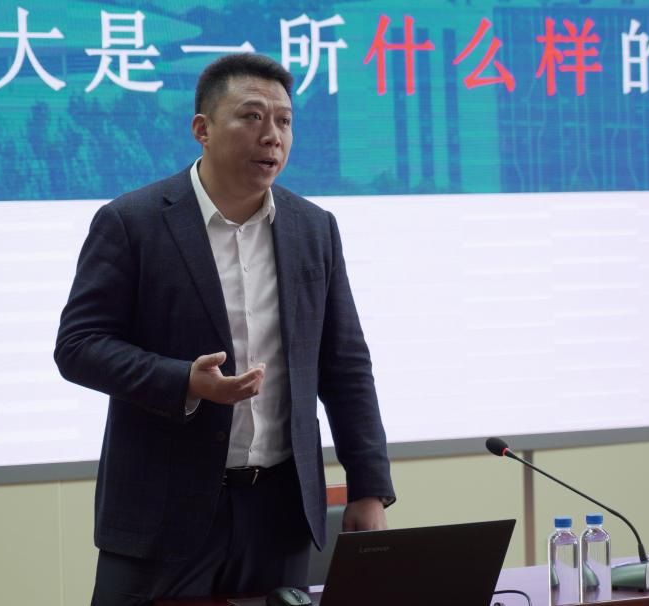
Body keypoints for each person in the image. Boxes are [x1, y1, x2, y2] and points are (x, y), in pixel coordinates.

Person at [54, 53, 395, 605]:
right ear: (202, 129)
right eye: (252, 116)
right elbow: (78, 346)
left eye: (284, 121)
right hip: (161, 513)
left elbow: (346, 367)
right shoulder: (133, 222)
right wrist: (184, 382)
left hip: (279, 513)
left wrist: (369, 488)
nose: (272, 136)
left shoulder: (313, 229)